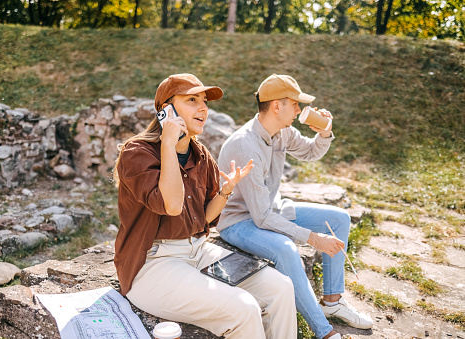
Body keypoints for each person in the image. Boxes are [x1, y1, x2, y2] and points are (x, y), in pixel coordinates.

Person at [113, 73, 299, 339]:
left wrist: (226, 190)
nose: (203, 108)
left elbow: (204, 220)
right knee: (243, 308)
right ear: (166, 109)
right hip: (152, 264)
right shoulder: (137, 153)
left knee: (280, 287)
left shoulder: (201, 156)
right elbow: (173, 205)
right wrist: (168, 142)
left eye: (204, 101)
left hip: (198, 250)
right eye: (192, 100)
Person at [217, 74, 373, 339]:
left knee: (340, 219)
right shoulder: (245, 145)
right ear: (277, 106)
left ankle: (332, 302)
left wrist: (324, 132)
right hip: (239, 222)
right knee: (288, 249)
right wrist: (312, 239)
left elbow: (311, 153)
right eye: (295, 104)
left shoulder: (282, 132)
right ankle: (324, 332)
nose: (300, 110)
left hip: (273, 208)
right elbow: (261, 217)